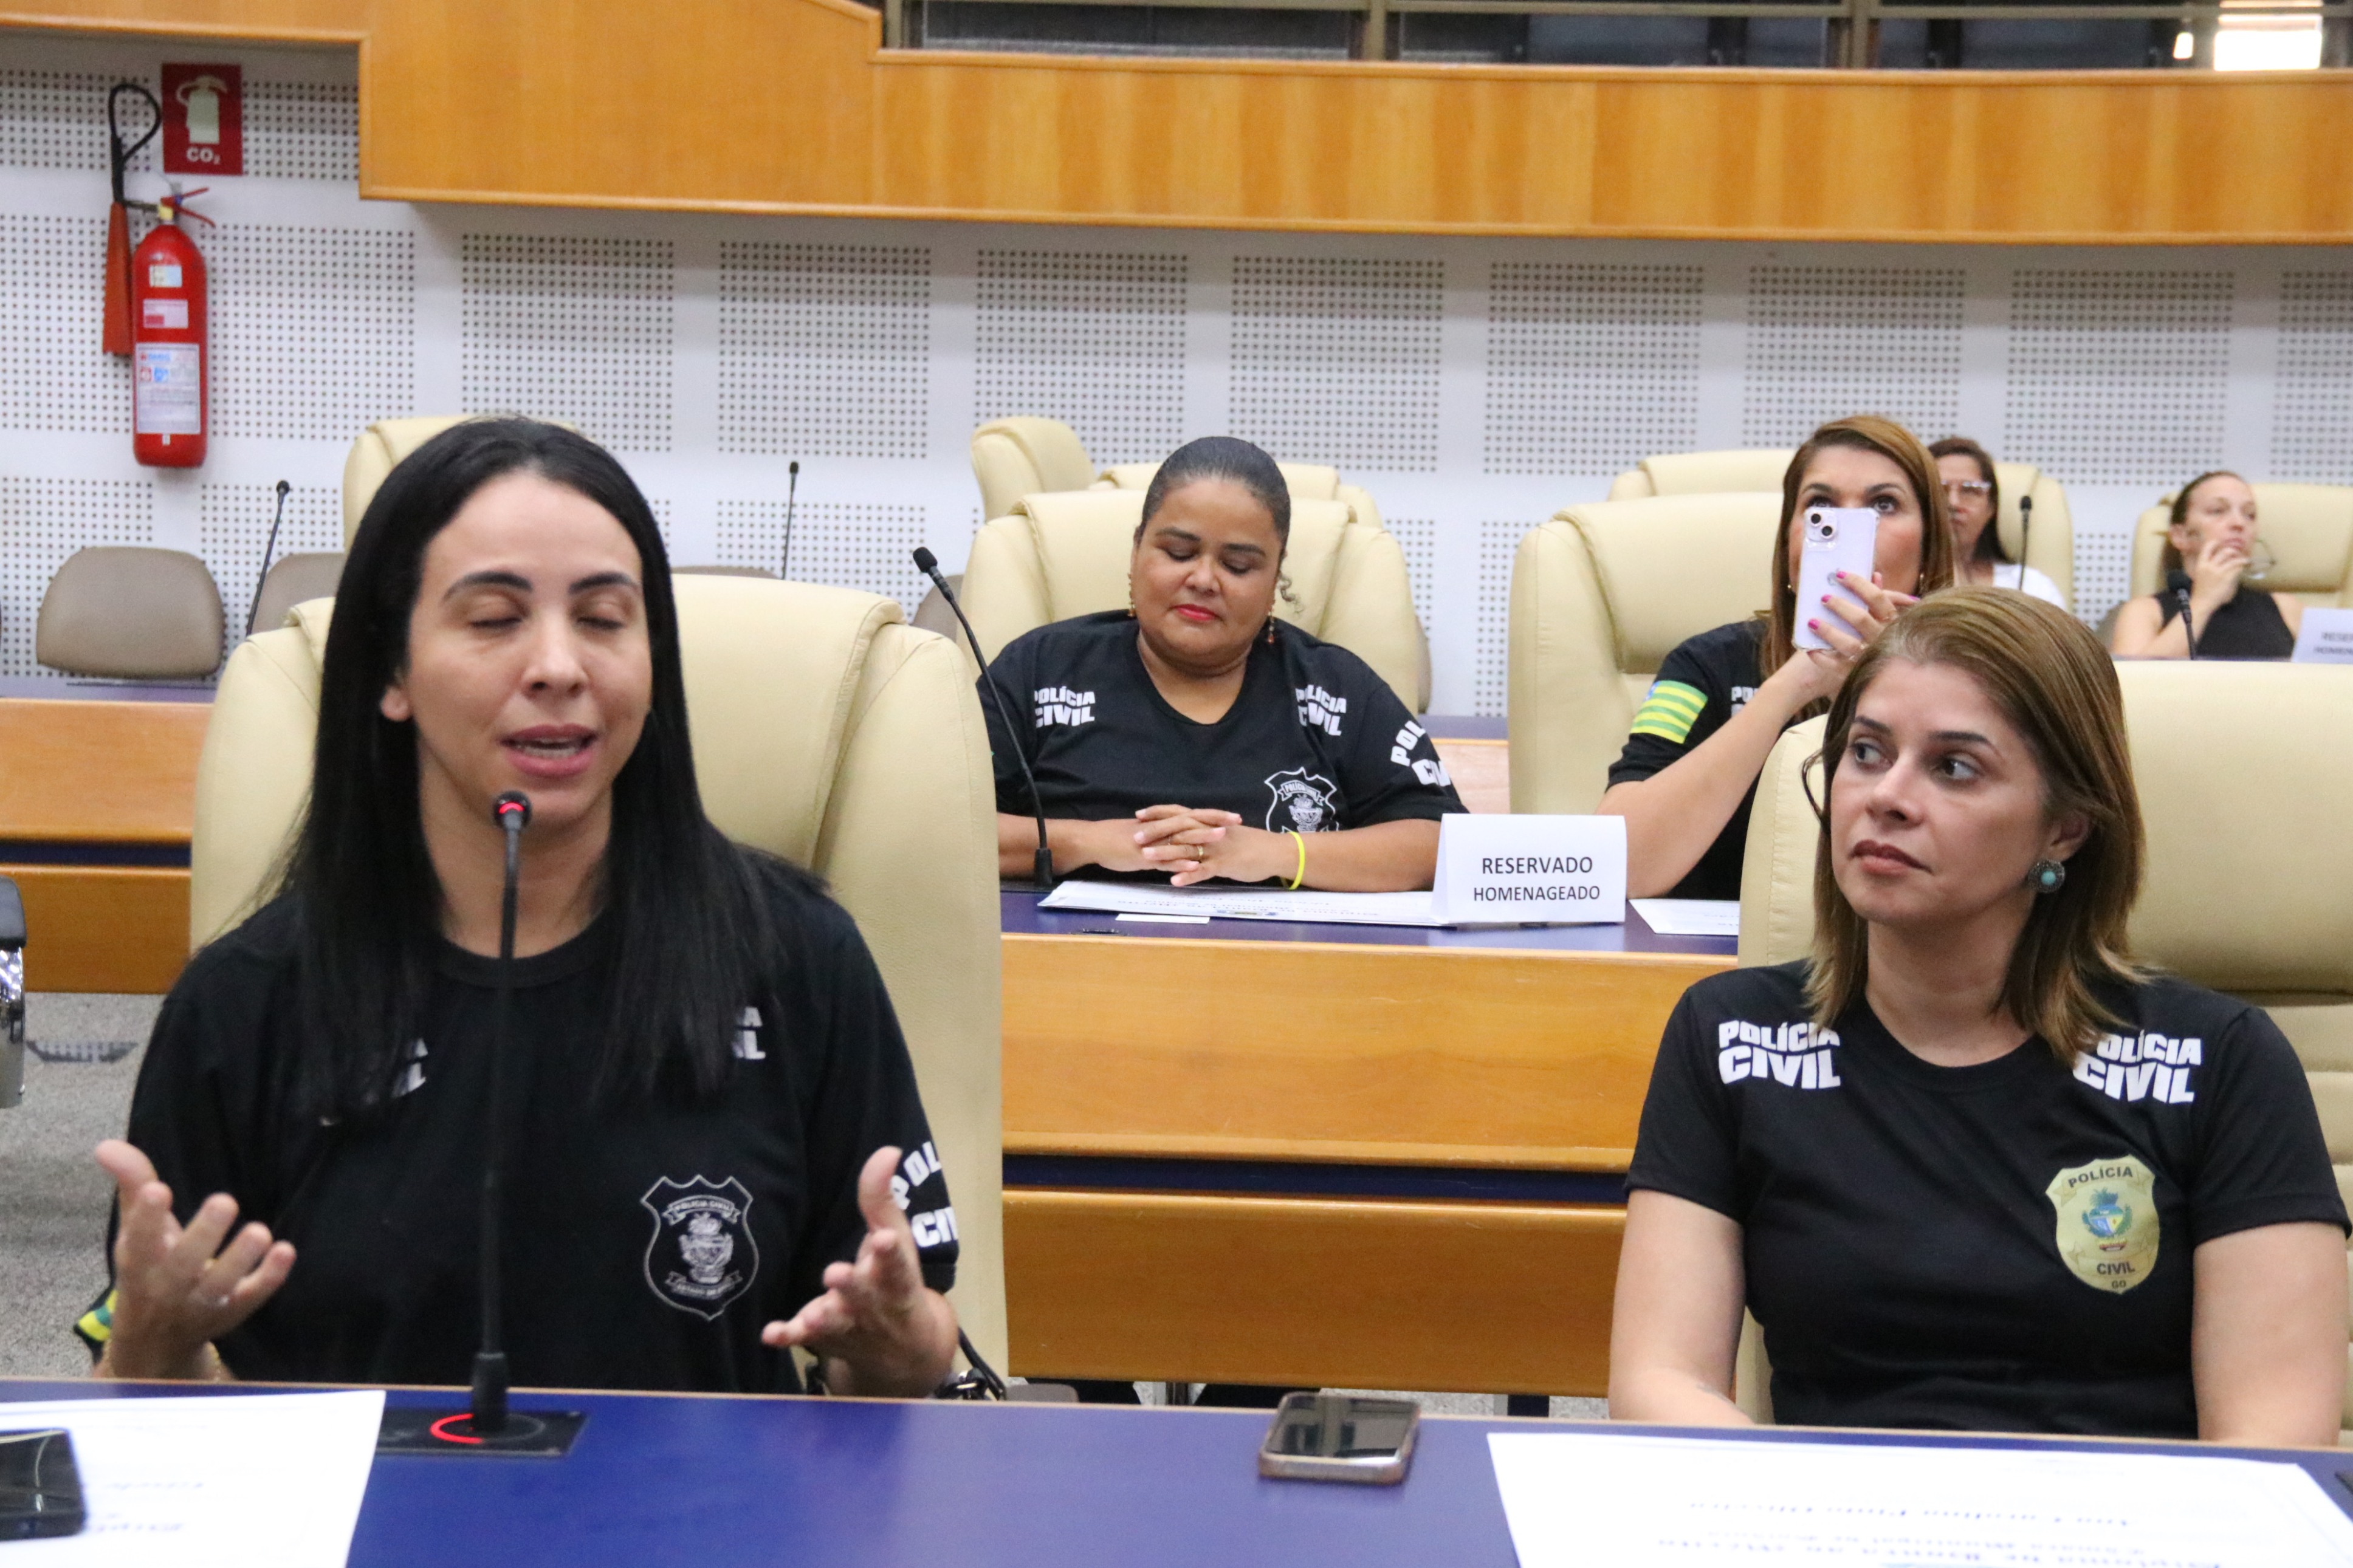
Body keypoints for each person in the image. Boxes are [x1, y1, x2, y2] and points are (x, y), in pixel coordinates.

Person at [79, 418, 961, 1398]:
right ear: (391, 671)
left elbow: (913, 1356)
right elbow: (148, 1390)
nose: (559, 667)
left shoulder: (797, 960)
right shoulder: (247, 1000)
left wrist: (894, 1341)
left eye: (604, 619)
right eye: (495, 619)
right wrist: (153, 1347)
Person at [1610, 588, 2346, 1442]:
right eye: (1865, 752)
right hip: (1831, 1507)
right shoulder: (1730, 1034)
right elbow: (1657, 1380)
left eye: (1954, 767)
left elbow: (2272, 1441)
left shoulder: (2222, 1061)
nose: (1886, 796)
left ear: (2065, 828)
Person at [983, 435, 1462, 891]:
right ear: (1136, 551)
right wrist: (1087, 842)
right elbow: (949, 826)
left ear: (1275, 578)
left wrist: (1278, 854)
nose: (1204, 579)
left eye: (1238, 566)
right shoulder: (1039, 672)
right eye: (1178, 553)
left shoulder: (1335, 690)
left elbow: (1446, 845)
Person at [1600, 415, 1956, 901]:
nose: (1850, 526)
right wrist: (1794, 683)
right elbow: (1616, 866)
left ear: (1929, 548)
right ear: (1790, 546)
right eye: (1820, 506)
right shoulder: (1705, 666)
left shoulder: (1979, 678)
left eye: (1883, 504)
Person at [2110, 472, 2303, 660]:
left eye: (2250, 515)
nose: (2239, 523)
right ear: (2180, 536)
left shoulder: (2287, 608)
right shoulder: (2145, 611)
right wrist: (2204, 601)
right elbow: (2135, 678)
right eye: (2217, 511)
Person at [1929, 436, 2065, 608]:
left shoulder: (2034, 588)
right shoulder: (1902, 580)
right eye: (1940, 489)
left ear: (1991, 508)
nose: (1953, 503)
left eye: (1970, 490)